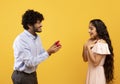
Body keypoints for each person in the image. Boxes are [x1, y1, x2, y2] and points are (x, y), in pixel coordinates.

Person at [11, 9, 61, 84]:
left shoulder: (37, 37)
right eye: (38, 23)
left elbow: (40, 55)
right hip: (22, 76)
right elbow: (30, 62)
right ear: (29, 25)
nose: (41, 25)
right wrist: (48, 52)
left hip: (32, 74)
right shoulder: (21, 40)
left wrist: (51, 50)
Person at [82, 19, 114, 84]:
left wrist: (88, 48)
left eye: (91, 29)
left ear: (98, 29)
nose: (89, 31)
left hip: (97, 75)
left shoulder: (102, 43)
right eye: (89, 29)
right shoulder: (92, 42)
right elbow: (85, 59)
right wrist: (85, 46)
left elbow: (96, 63)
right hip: (91, 73)